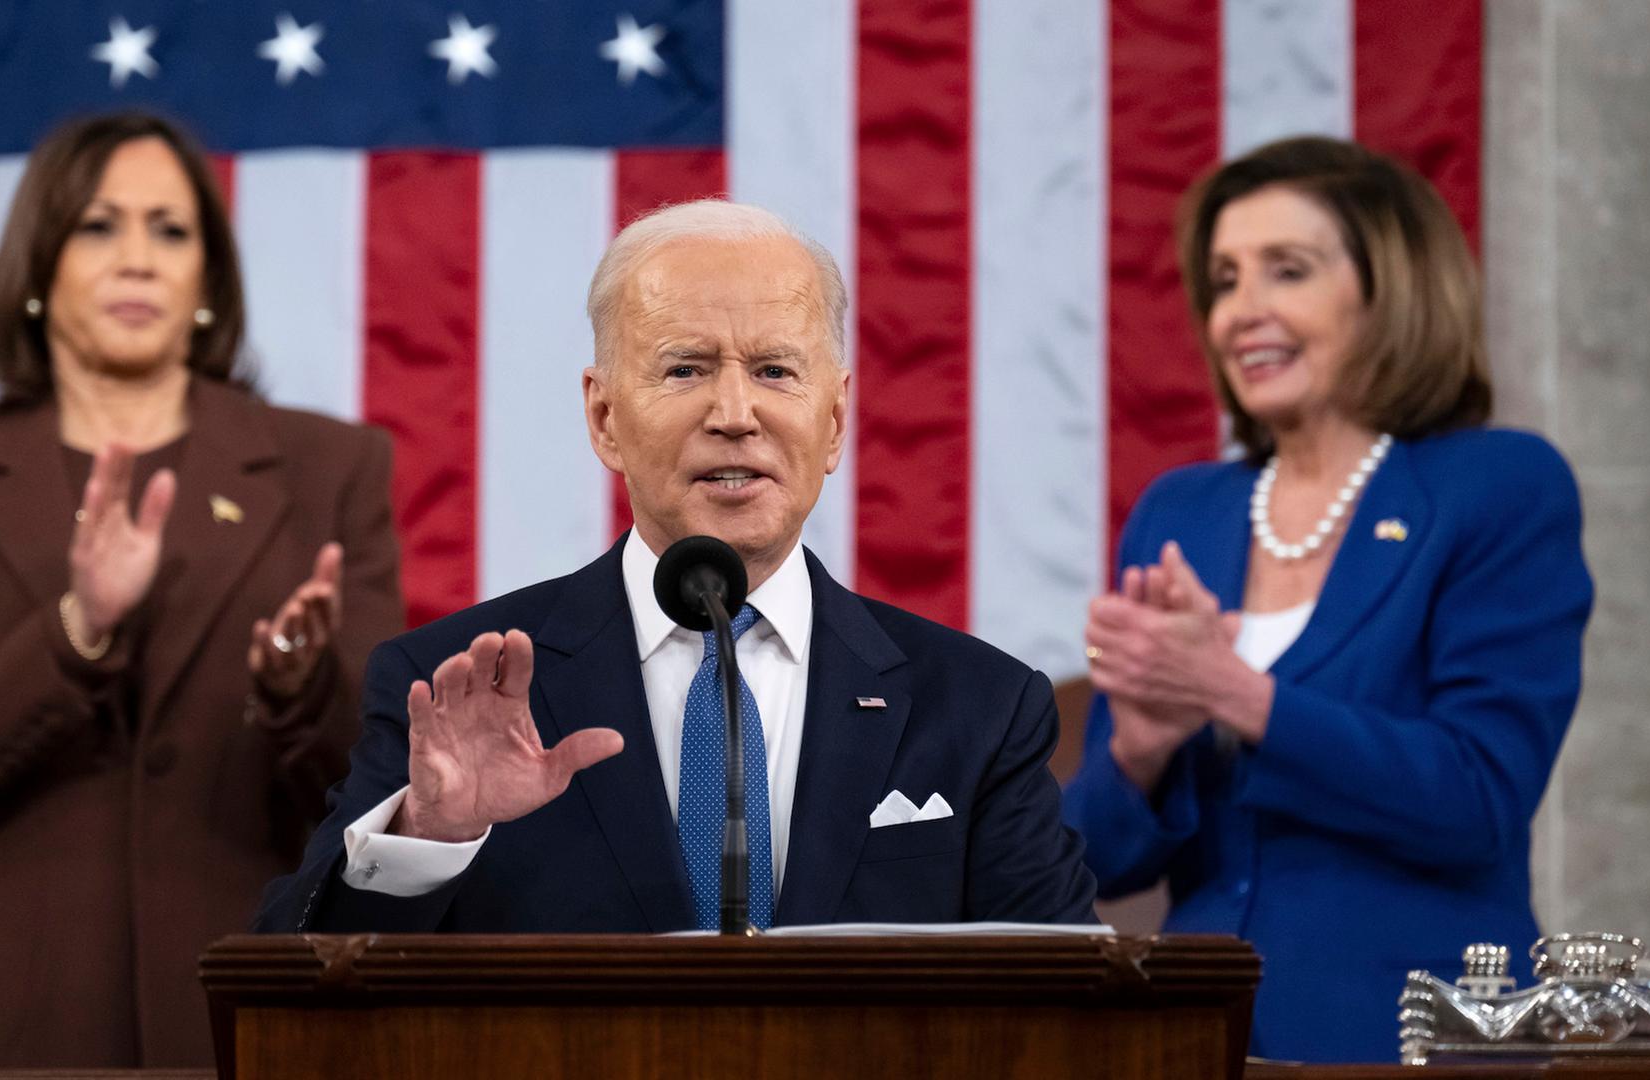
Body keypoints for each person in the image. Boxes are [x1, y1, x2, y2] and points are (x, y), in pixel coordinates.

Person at [254, 200, 1097, 935]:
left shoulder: (980, 710)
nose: (735, 414)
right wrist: (428, 839)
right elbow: (303, 982)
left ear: (835, 420)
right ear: (605, 416)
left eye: (774, 371)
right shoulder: (455, 690)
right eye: (685, 369)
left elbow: (1077, 1010)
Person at [0, 111, 404, 1067]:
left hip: (249, 1020)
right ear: (39, 264)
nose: (137, 258)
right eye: (100, 226)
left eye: (170, 230)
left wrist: (297, 688)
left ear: (207, 280)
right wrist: (76, 630)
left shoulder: (330, 469)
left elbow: (382, 797)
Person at [1061, 136, 1592, 1062]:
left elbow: (1478, 798)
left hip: (1413, 1037)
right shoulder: (1182, 511)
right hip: (1190, 1040)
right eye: (1225, 279)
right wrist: (1140, 750)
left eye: (1287, 271)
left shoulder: (1498, 486)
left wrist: (1236, 695)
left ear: (1390, 291)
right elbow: (1093, 862)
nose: (1242, 311)